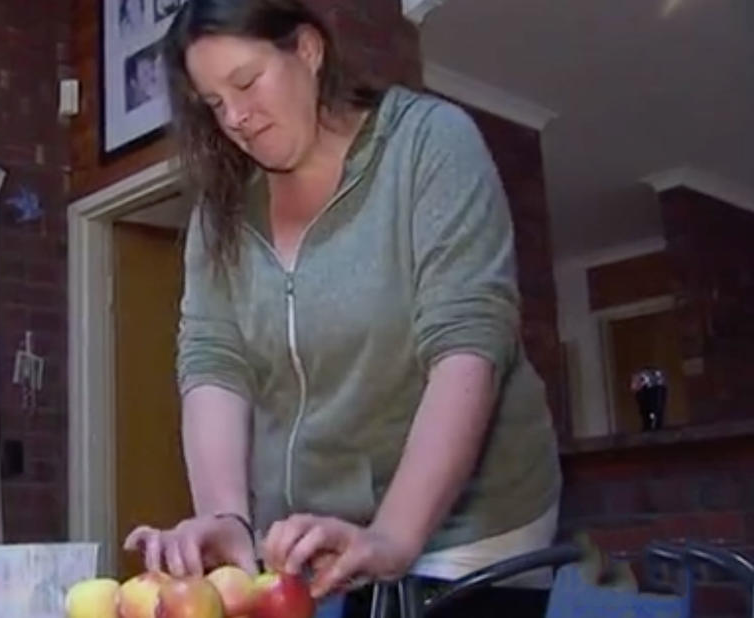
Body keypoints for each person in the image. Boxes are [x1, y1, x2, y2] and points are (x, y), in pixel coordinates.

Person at [123, 0, 563, 615]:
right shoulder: (220, 213)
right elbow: (214, 363)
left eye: (247, 83)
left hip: (471, 532)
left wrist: (394, 537)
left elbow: (468, 345)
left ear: (307, 48)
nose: (238, 119)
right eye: (215, 104)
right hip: (317, 541)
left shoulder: (427, 145)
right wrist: (228, 519)